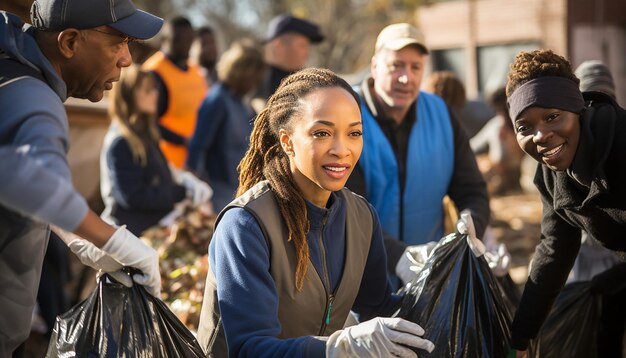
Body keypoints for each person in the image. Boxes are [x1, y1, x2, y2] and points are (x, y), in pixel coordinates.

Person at [196, 68, 435, 357]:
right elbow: (250, 348)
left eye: (354, 133)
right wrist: (340, 348)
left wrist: (442, 280)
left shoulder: (360, 216)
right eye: (322, 133)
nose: (341, 149)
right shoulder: (245, 224)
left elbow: (376, 309)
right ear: (286, 141)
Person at [0, 0, 163, 356]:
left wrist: (76, 235)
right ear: (70, 42)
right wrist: (108, 238)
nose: (126, 60)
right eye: (118, 43)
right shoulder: (35, 100)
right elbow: (27, 175)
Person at [346, 23, 490, 286]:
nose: (406, 78)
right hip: (360, 283)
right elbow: (345, 210)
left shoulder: (442, 114)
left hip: (429, 277)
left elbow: (472, 190)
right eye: (396, 66)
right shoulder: (346, 115)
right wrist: (398, 257)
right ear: (375, 66)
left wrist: (470, 226)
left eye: (415, 67)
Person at [506, 49, 626, 355]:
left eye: (552, 116)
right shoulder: (551, 176)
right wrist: (520, 338)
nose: (541, 135)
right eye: (525, 127)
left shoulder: (621, 144)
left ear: (578, 108)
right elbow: (554, 250)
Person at [100, 64, 213, 235]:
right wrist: (179, 193)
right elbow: (131, 196)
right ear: (129, 95)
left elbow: (163, 172)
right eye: (147, 90)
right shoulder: (120, 141)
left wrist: (187, 182)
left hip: (154, 227)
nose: (155, 94)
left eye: (154, 89)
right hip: (132, 236)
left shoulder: (146, 134)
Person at [186, 41, 265, 212]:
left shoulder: (241, 102)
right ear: (243, 73)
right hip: (217, 193)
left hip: (237, 189)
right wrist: (200, 191)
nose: (256, 85)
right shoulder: (217, 100)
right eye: (254, 79)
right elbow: (198, 146)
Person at [142, 16, 208, 168]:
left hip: (194, 162)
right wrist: (183, 140)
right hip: (165, 163)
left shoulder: (195, 71)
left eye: (189, 39)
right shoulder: (153, 73)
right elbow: (146, 122)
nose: (185, 44)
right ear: (165, 39)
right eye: (179, 39)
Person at [253, 14, 324, 107]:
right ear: (278, 44)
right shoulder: (250, 82)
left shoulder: (307, 82)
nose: (307, 53)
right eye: (302, 45)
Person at [470, 87, 525, 194]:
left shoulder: (526, 125)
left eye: (506, 109)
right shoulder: (496, 126)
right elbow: (471, 147)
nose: (504, 115)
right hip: (498, 175)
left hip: (522, 177)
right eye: (499, 110)